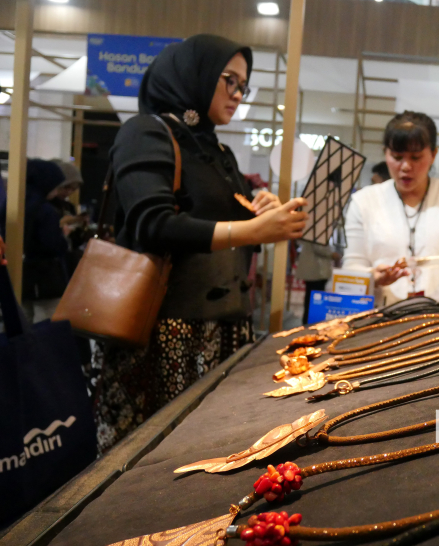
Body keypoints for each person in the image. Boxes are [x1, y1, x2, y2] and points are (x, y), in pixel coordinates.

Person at [90, 34, 308, 452]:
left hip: (223, 330)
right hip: (162, 333)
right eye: (229, 80)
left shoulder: (217, 150)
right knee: (151, 463)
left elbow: (226, 238)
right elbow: (153, 223)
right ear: (196, 74)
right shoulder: (145, 133)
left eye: (243, 85)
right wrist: (253, 229)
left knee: (211, 456)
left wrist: (260, 214)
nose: (237, 94)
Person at [343, 111, 439, 303]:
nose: (406, 166)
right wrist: (373, 277)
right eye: (397, 157)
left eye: (416, 158)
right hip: (380, 319)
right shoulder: (363, 202)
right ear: (385, 154)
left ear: (433, 154)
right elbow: (351, 268)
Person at [0, 159, 70, 323]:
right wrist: (63, 238)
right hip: (45, 277)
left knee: (19, 322)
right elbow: (52, 244)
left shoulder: (11, 205)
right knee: (47, 324)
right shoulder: (46, 211)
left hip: (15, 273)